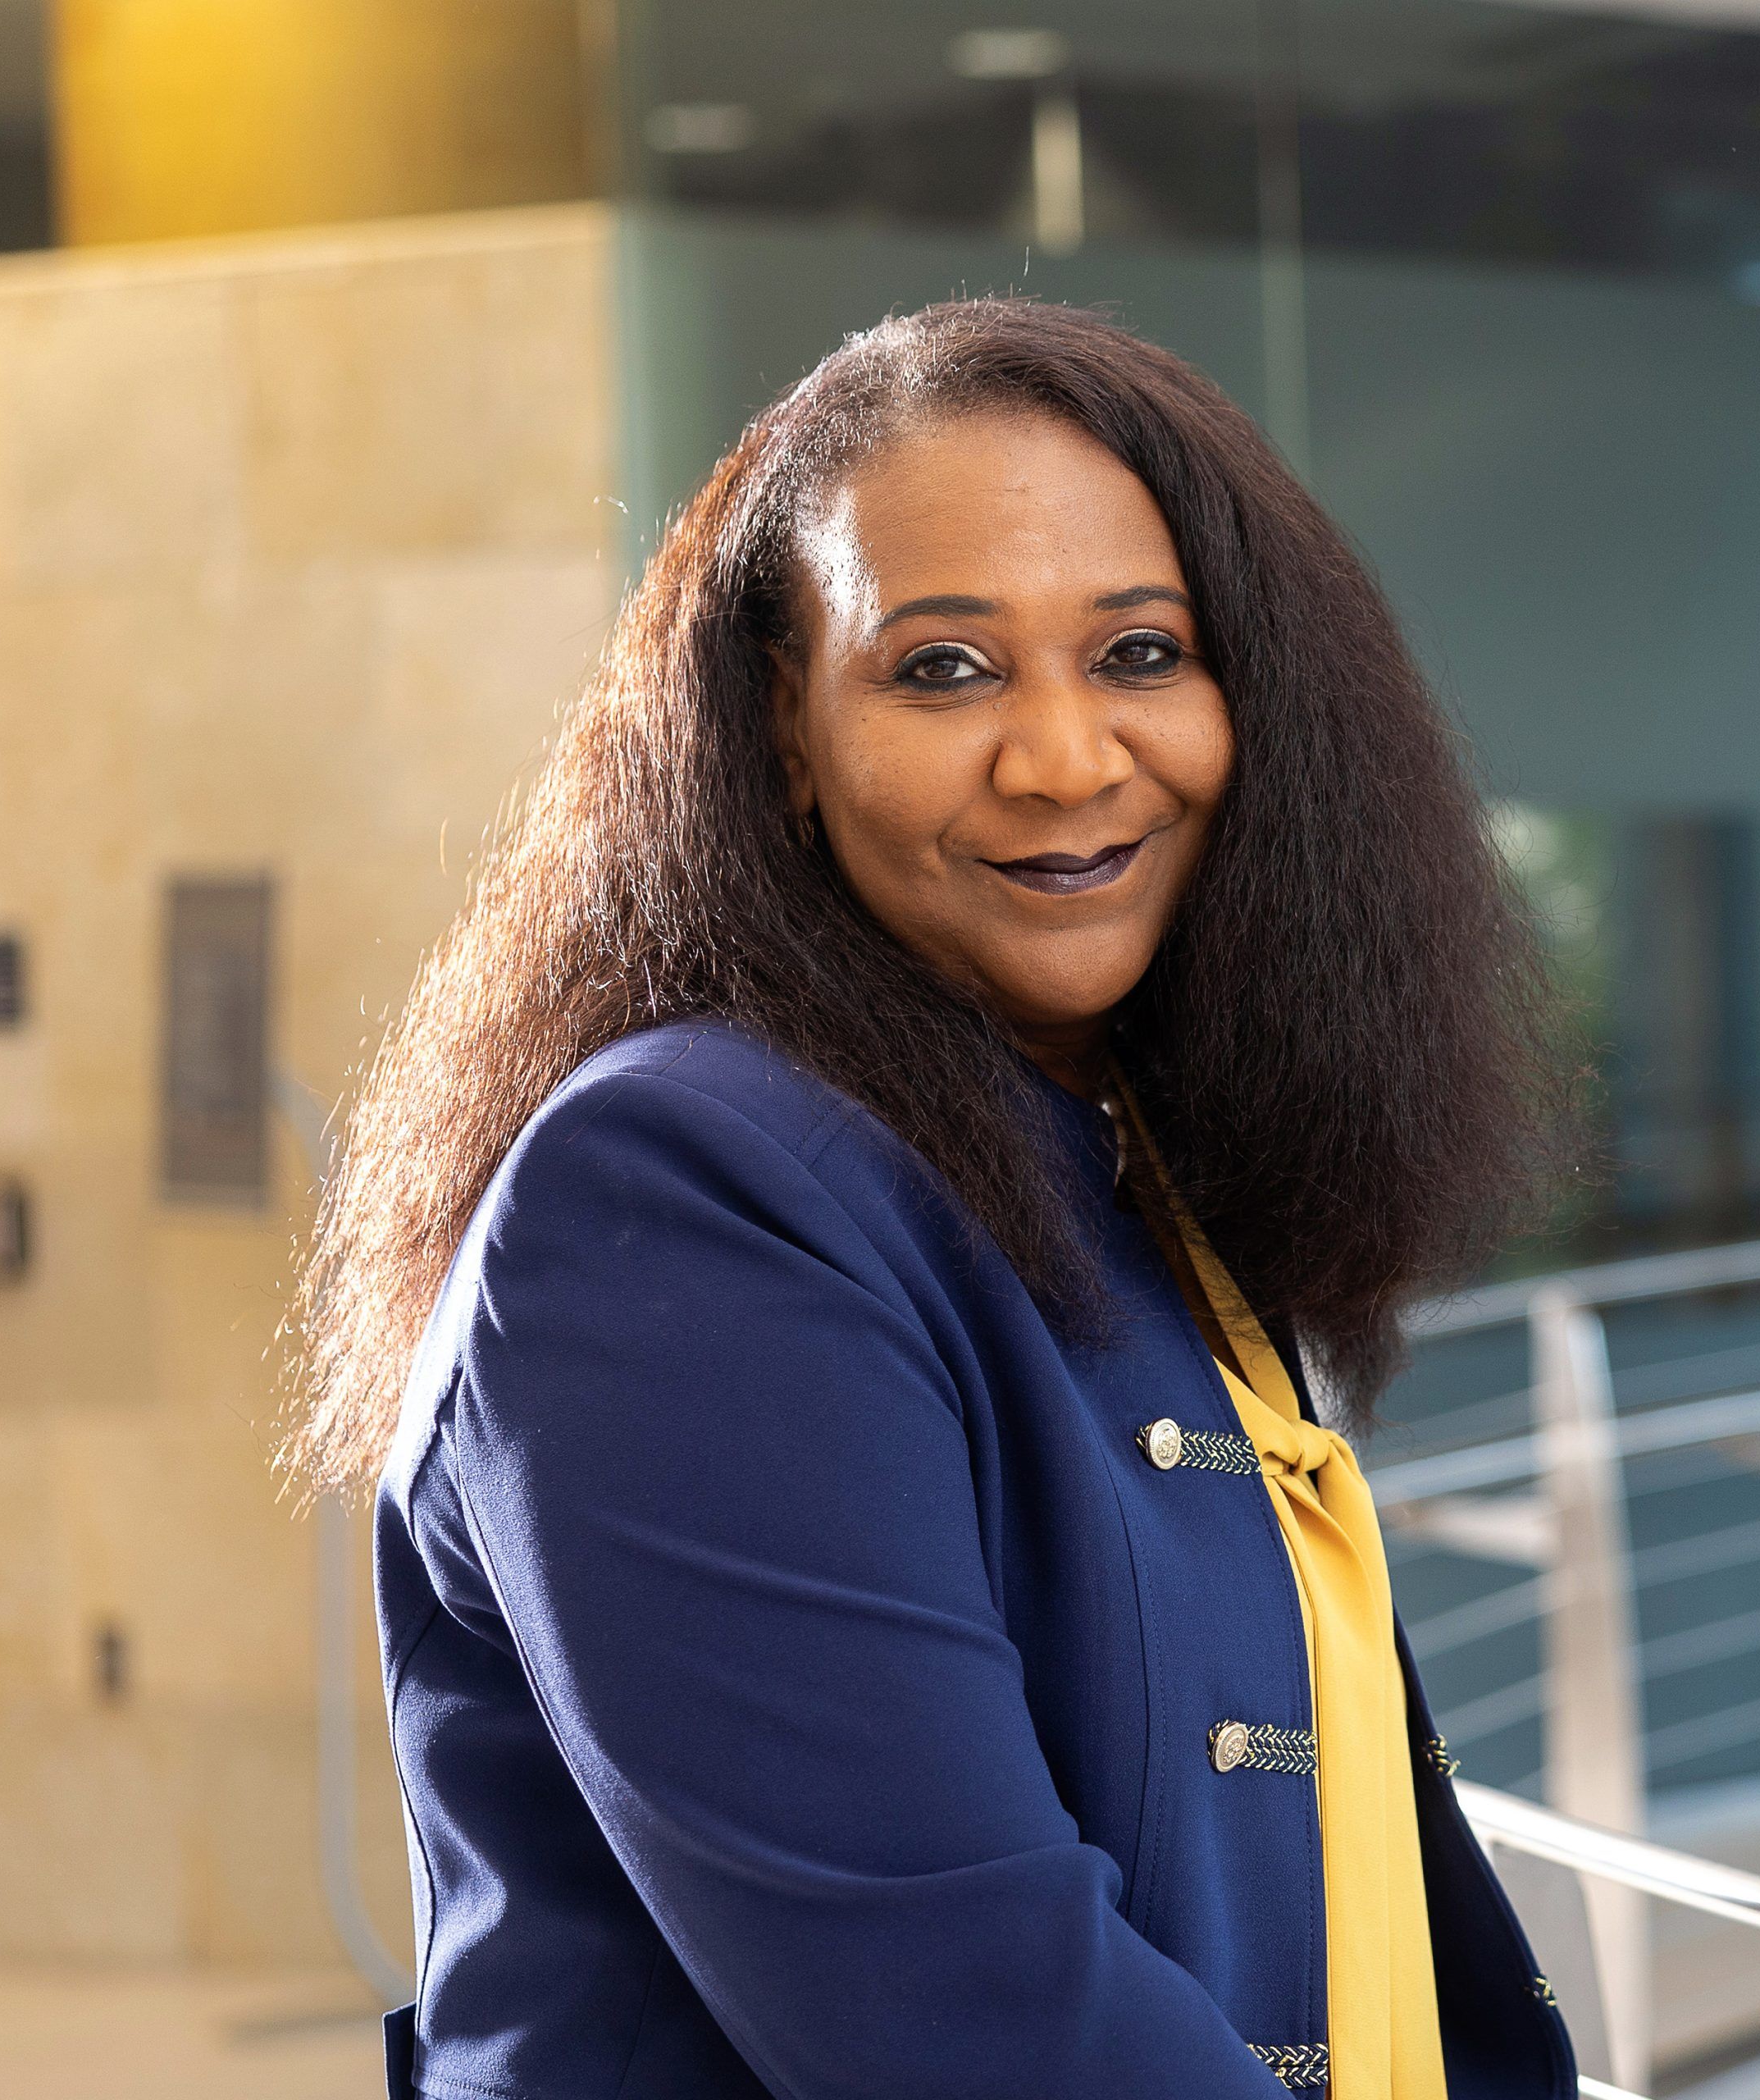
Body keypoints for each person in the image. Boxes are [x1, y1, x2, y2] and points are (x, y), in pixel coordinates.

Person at [290, 296, 1579, 2100]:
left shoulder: (1123, 1149)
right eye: (944, 669)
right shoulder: (674, 1192)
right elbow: (971, 2011)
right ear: (785, 731)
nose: (1064, 757)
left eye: (1140, 653)